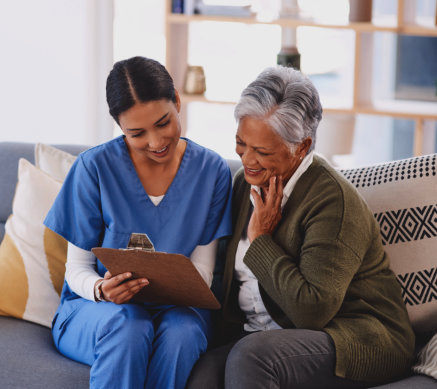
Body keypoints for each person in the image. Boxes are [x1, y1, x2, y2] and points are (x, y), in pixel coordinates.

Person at [186, 66, 415, 388]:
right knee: (203, 372)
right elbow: (226, 279)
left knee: (252, 356)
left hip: (356, 336)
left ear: (302, 146)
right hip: (266, 333)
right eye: (241, 143)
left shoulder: (333, 202)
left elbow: (312, 311)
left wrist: (261, 239)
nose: (247, 159)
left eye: (262, 151)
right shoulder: (243, 185)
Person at [43, 56, 232, 389]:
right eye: (136, 133)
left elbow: (203, 271)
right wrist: (101, 289)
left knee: (183, 334)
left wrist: (170, 286)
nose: (156, 142)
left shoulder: (211, 172)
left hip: (179, 311)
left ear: (177, 100)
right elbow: (77, 271)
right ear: (119, 126)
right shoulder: (94, 168)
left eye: (163, 123)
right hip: (99, 312)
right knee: (129, 325)